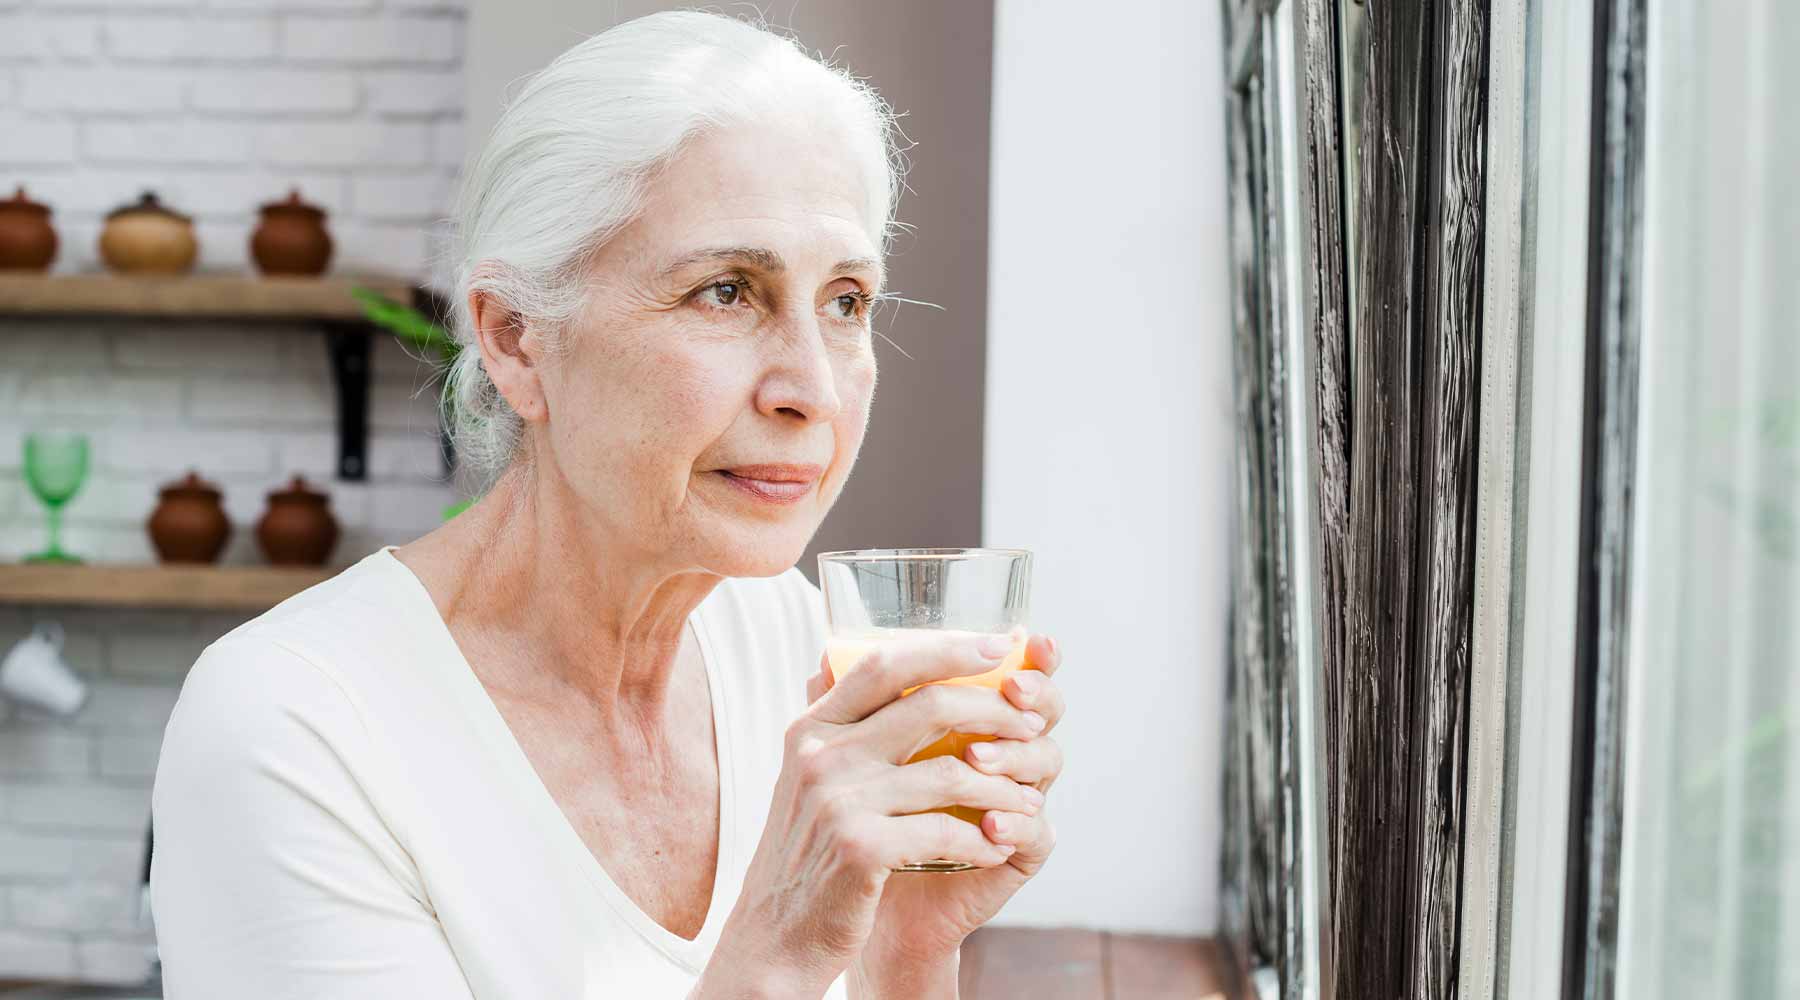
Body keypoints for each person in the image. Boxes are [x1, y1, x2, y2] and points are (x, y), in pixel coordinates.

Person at [150, 11, 1065, 998]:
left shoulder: (798, 644)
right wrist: (785, 950)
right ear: (515, 342)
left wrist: (909, 948)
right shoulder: (292, 726)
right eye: (726, 291)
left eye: (845, 302)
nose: (814, 387)